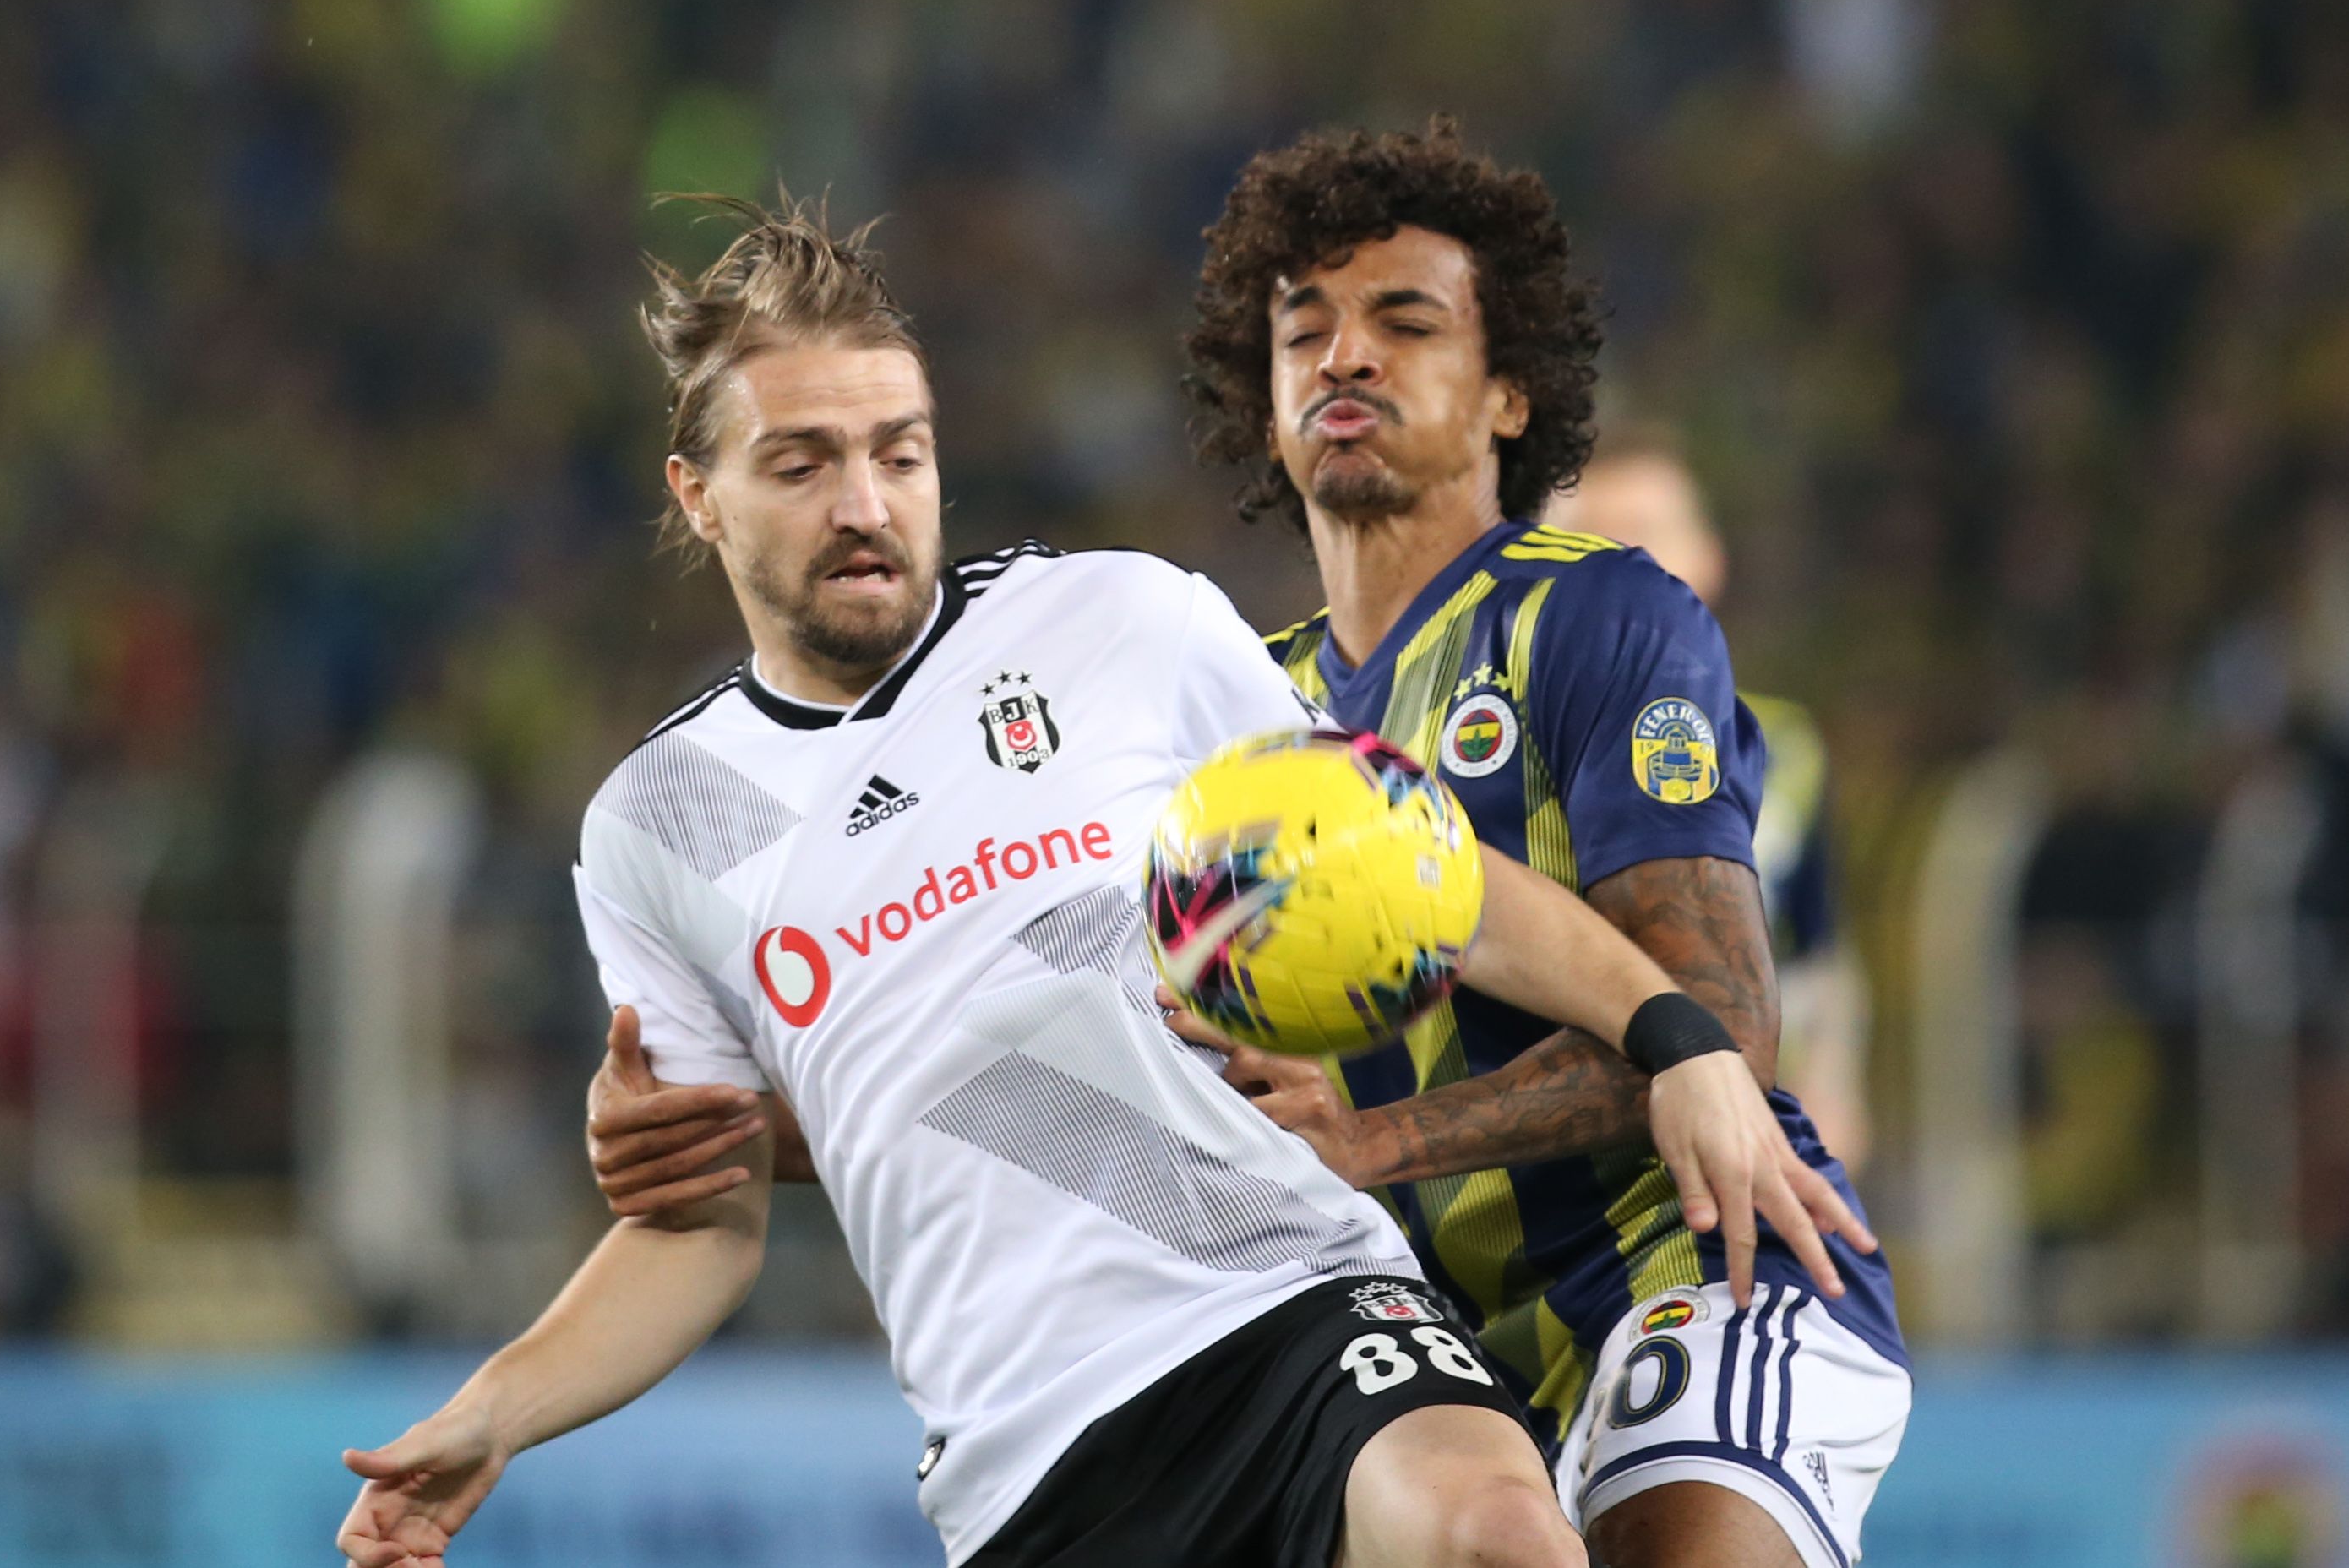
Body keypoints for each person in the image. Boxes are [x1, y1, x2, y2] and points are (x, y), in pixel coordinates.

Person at [336, 198, 1859, 1568]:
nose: (864, 501)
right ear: (698, 495)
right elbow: (701, 1224)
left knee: (1494, 1533)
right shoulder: (658, 823)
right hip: (1026, 1449)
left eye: (899, 453)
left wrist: (1670, 1031)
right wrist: (491, 1416)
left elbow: (1423, 870)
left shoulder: (1117, 621)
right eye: (800, 464)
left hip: (1289, 1298)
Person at [1178, 121, 1910, 1568]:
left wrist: (1373, 1141)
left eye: (1404, 323)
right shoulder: (1233, 710)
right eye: (1303, 332)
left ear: (1509, 393)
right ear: (1263, 404)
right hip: (1429, 1362)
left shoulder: (1596, 615)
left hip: (1694, 1264)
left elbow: (1719, 1019)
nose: (1343, 356)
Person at [1550, 428, 1873, 1173]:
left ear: (1707, 556)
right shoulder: (1499, 754)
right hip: (1576, 1150)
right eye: (1592, 544)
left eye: (1647, 537)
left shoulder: (1785, 748)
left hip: (1758, 1134)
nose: (1626, 569)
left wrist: (1835, 1089)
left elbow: (1817, 951)